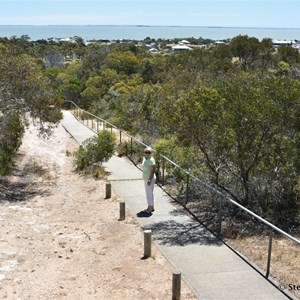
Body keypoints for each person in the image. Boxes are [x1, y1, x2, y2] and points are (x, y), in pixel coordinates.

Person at [142, 146, 156, 213]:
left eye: (149, 152)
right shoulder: (145, 158)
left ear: (151, 153)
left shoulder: (151, 160)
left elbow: (153, 171)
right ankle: (151, 206)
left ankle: (149, 208)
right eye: (146, 152)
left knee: (149, 193)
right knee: (150, 193)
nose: (147, 153)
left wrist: (149, 180)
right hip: (146, 177)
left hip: (149, 178)